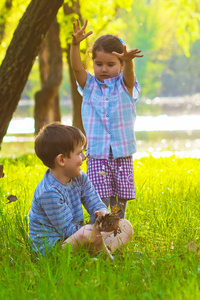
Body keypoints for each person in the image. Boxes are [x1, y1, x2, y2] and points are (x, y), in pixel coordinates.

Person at [70, 19, 143, 218]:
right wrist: (75, 45)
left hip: (122, 152)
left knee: (120, 200)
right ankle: (100, 233)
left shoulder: (125, 85)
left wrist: (128, 61)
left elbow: (129, 73)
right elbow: (77, 69)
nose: (104, 69)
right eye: (98, 63)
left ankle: (118, 234)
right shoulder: (90, 86)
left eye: (111, 64)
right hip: (97, 154)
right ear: (92, 62)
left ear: (120, 66)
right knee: (100, 198)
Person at [28, 122, 133, 260]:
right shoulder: (49, 192)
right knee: (88, 232)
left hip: (77, 237)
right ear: (61, 160)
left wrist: (104, 215)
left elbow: (94, 201)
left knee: (125, 225)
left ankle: (103, 254)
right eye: (79, 153)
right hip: (54, 250)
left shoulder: (79, 178)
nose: (84, 157)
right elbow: (67, 231)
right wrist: (96, 229)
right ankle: (108, 261)